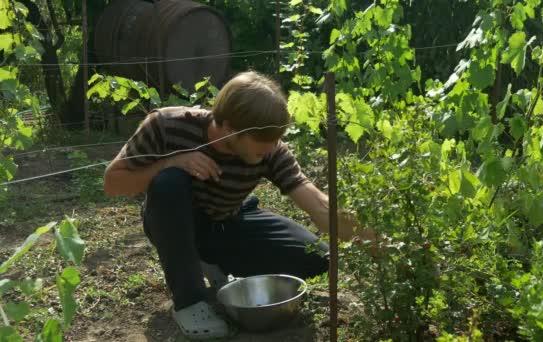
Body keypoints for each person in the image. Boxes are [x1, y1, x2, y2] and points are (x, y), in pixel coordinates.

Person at [103, 71, 369, 339]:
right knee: (168, 181)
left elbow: (320, 207)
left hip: (228, 221)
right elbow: (113, 183)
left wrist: (380, 242)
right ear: (229, 128)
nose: (272, 147)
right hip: (172, 222)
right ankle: (190, 302)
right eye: (263, 142)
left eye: (276, 139)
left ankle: (213, 261)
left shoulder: (270, 147)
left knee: (317, 259)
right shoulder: (165, 125)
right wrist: (171, 162)